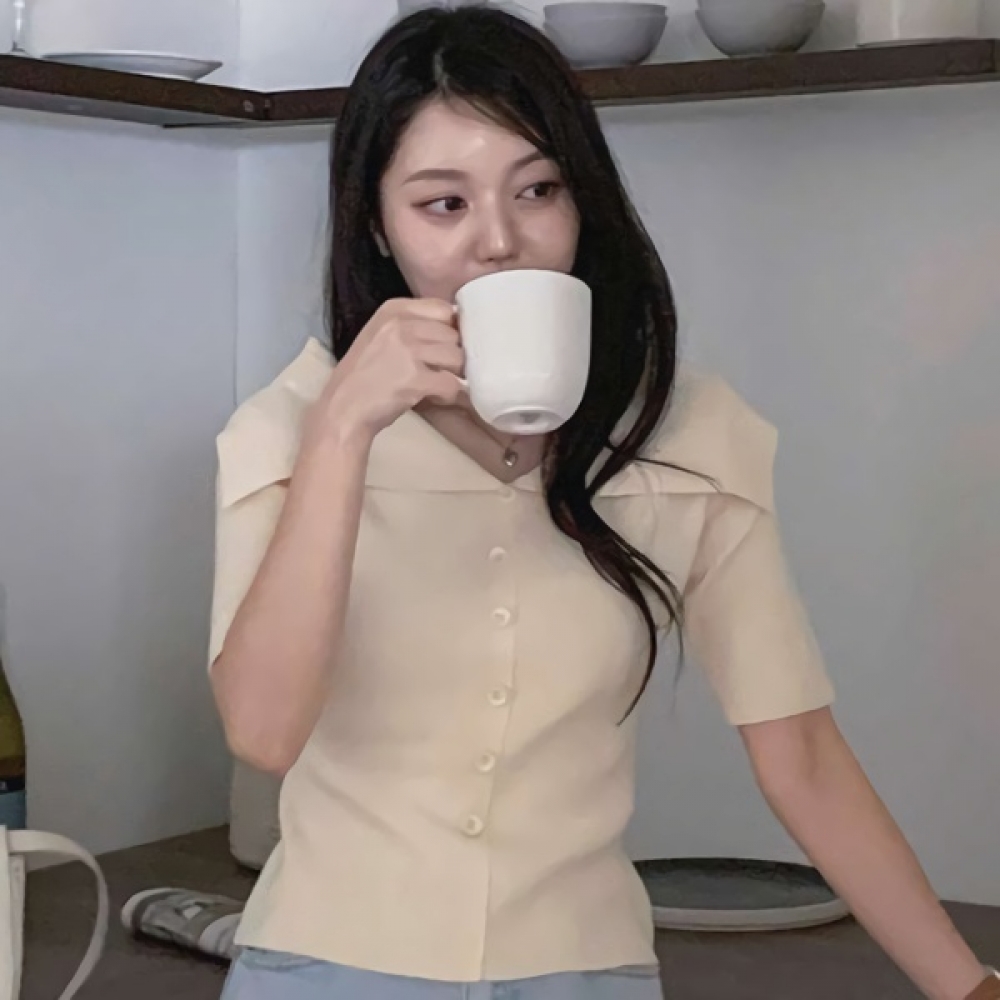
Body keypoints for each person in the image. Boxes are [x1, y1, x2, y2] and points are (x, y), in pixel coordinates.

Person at [207, 7, 999, 1000]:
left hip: (586, 968)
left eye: (538, 189)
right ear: (377, 224)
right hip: (324, 963)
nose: (500, 242)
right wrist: (340, 433)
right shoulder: (289, 427)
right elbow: (264, 733)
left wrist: (967, 987)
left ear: (584, 201)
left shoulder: (692, 433)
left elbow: (798, 751)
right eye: (442, 204)